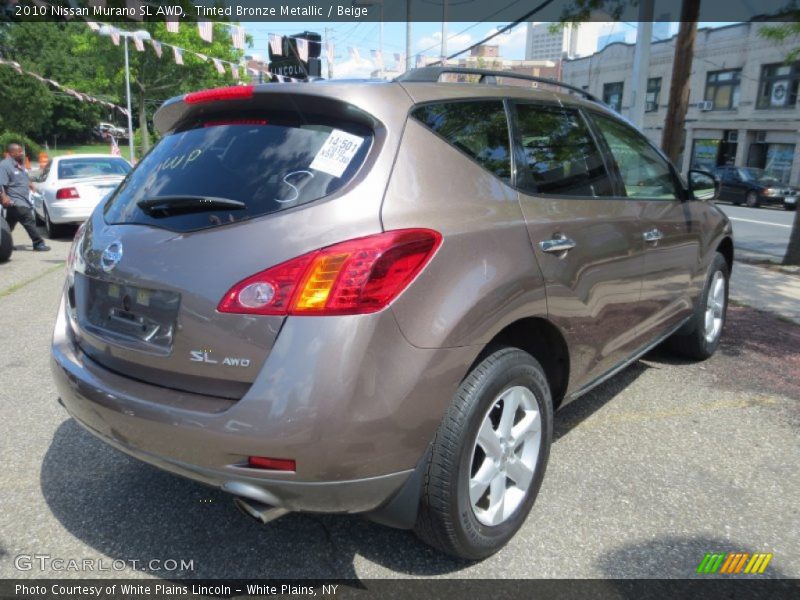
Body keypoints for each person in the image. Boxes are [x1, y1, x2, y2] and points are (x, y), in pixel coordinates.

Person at [0, 143, 50, 251]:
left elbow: (23, 178)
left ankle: (4, 243)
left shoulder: (19, 164)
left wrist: (31, 185)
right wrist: (3, 197)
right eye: (19, 151)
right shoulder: (4, 165)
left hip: (23, 200)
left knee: (8, 225)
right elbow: (1, 183)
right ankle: (38, 243)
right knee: (29, 219)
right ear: (12, 153)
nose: (22, 153)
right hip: (15, 201)